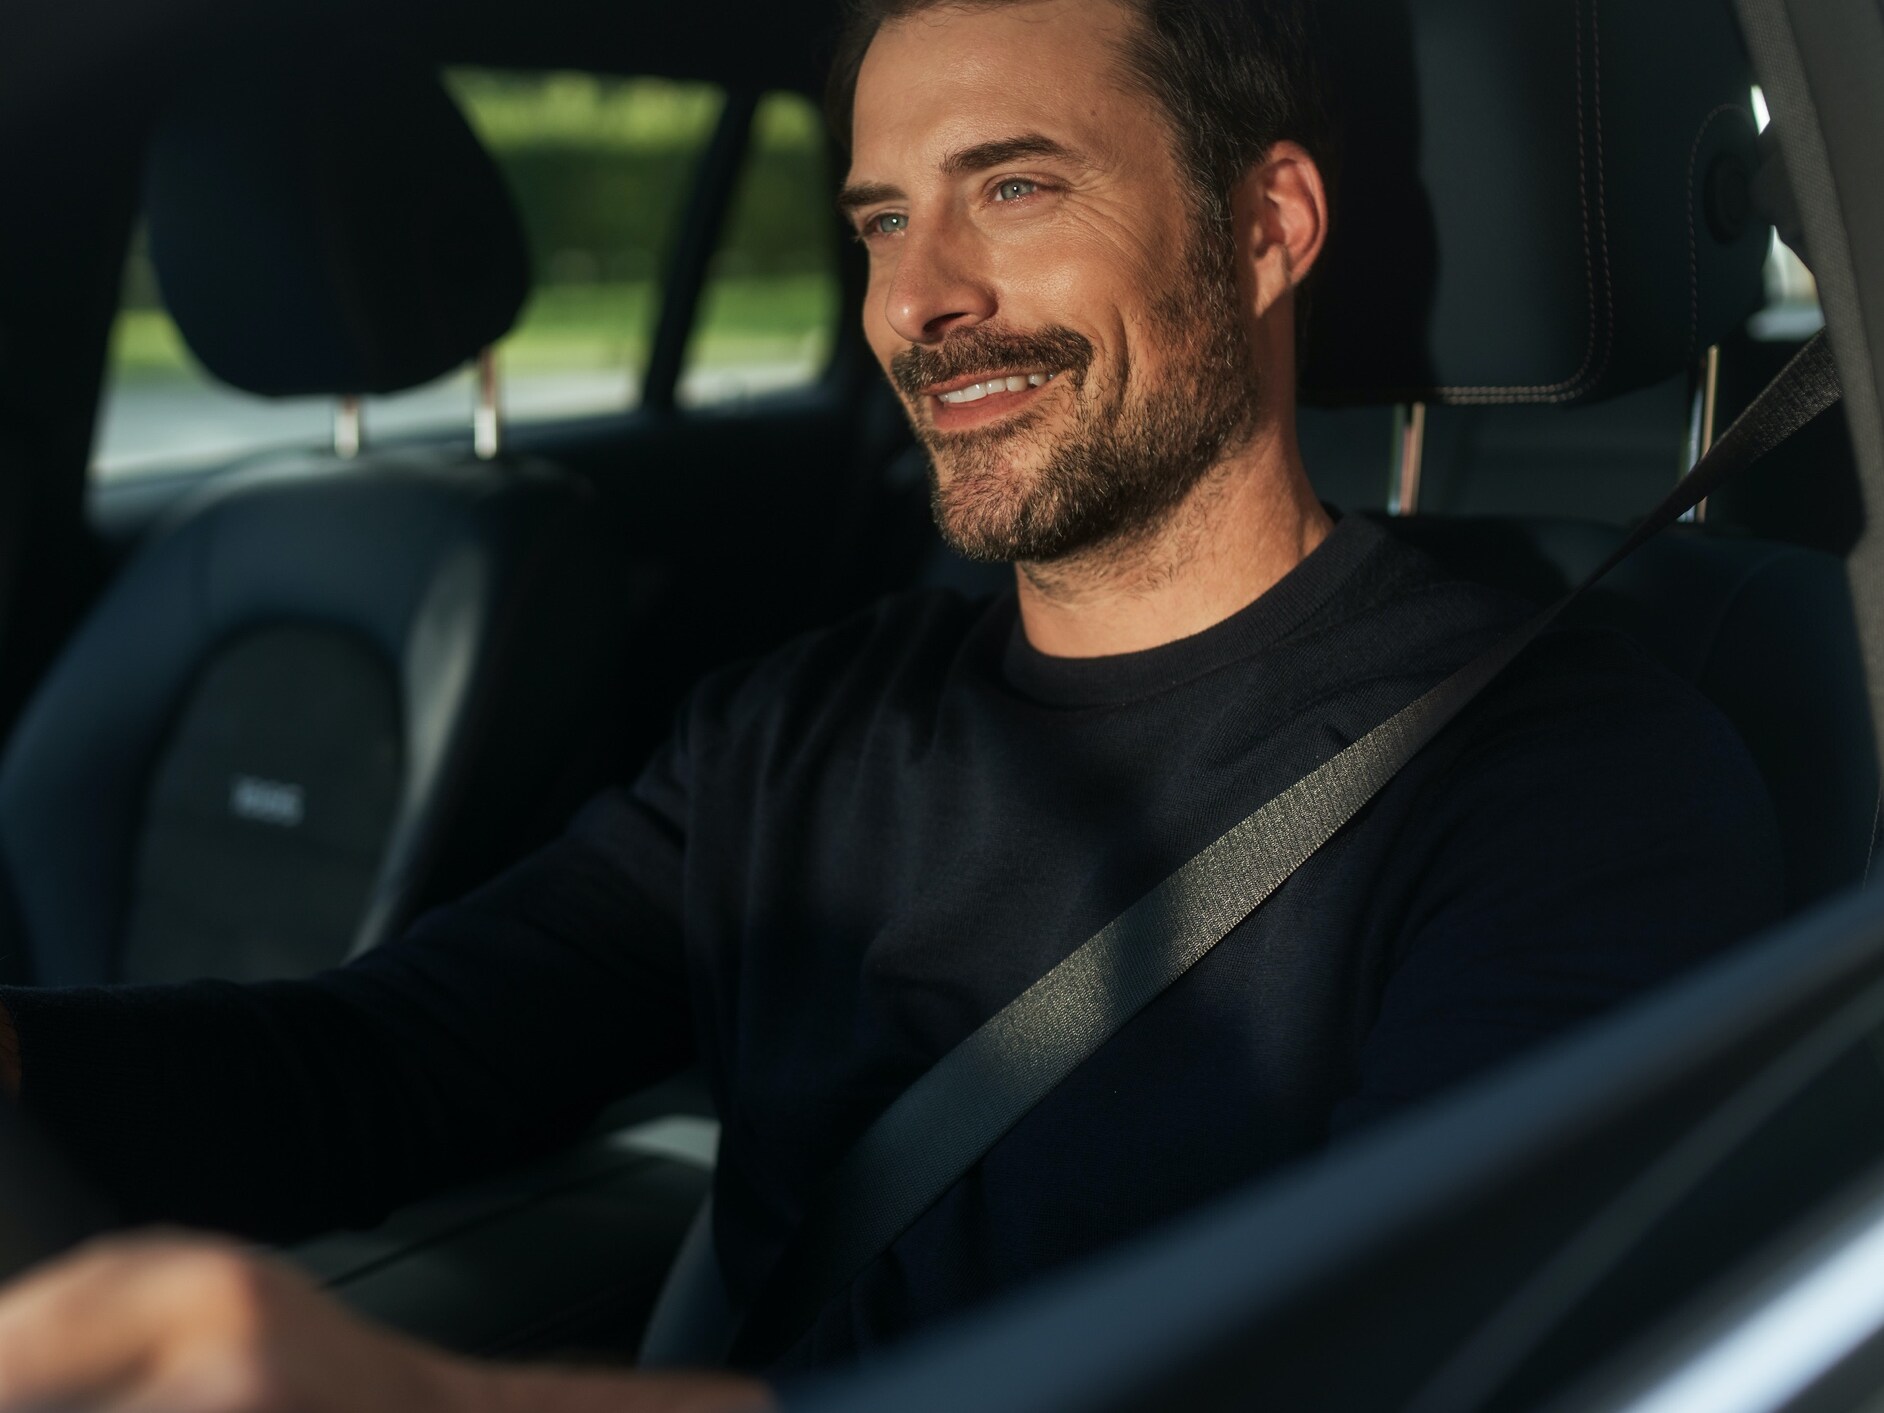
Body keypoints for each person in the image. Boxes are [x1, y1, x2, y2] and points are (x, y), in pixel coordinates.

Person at [0, 0, 1782, 1408]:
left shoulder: (1569, 778)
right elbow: (380, 1064)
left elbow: (1410, 1353)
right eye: (878, 219)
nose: (916, 301)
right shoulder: (796, 731)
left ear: (1264, 228)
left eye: (1013, 187)